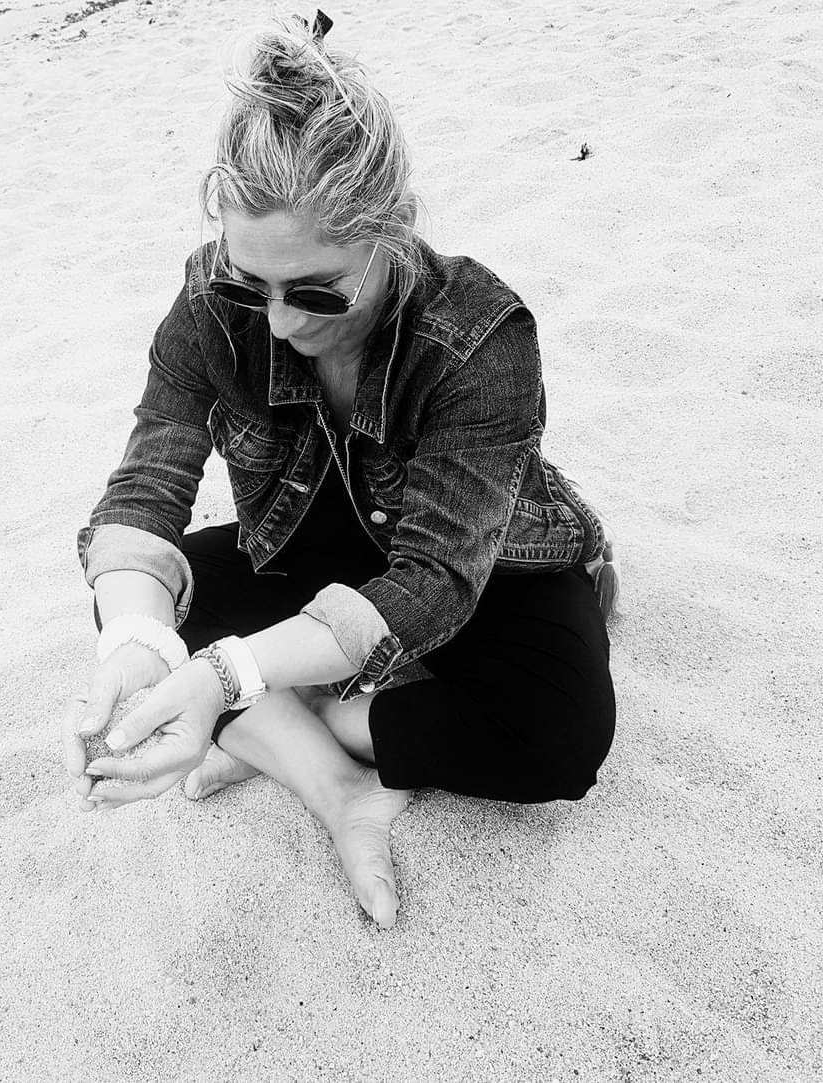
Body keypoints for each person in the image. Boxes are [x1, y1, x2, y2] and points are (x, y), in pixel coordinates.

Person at [60, 11, 617, 930]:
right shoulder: (210, 301)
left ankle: (312, 715)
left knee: (562, 733)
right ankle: (336, 784)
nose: (279, 322)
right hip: (309, 544)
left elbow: (435, 581)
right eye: (252, 284)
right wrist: (137, 642)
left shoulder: (480, 335)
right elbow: (146, 486)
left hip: (478, 560)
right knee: (144, 603)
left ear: (392, 234)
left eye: (315, 290)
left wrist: (229, 678)